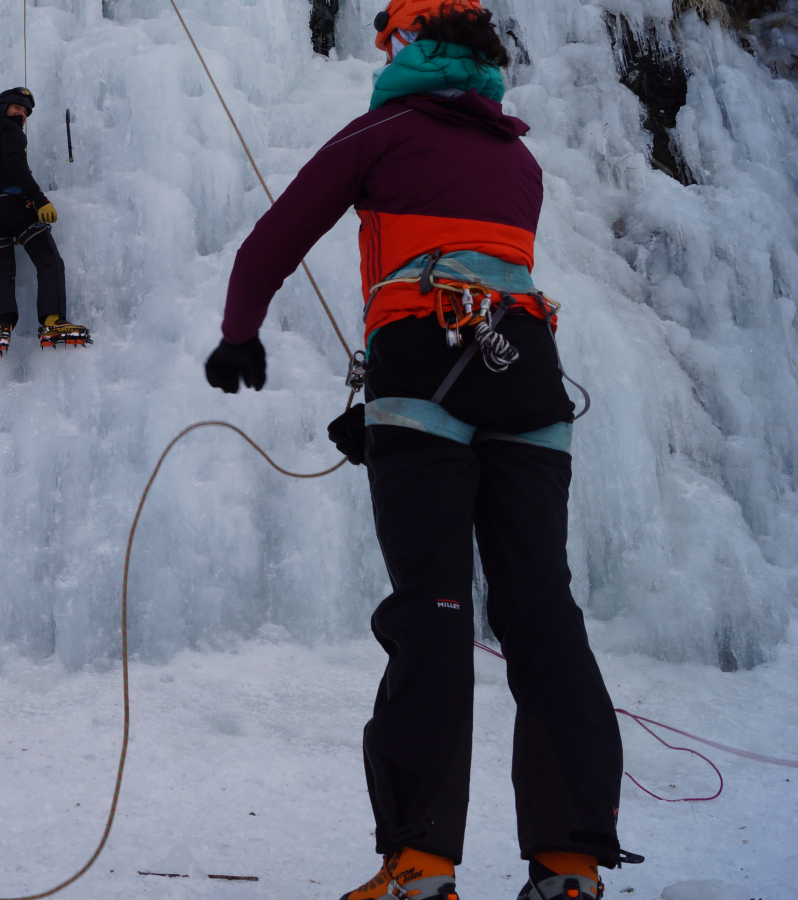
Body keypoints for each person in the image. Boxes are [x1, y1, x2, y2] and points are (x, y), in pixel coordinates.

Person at [202, 3, 640, 899]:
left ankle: (420, 863)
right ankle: (569, 863)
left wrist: (240, 335)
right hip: (528, 378)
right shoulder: (518, 159)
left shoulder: (382, 131)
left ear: (404, 47)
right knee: (541, 611)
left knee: (434, 609)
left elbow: (271, 244)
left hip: (423, 364)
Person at [0, 87, 91, 356]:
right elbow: (14, 162)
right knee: (47, 258)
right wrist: (39, 199)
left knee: (3, 269)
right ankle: (53, 322)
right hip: (12, 204)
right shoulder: (8, 129)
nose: (22, 114)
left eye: (26, 111)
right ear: (3, 107)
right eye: (17, 108)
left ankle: (0, 328)